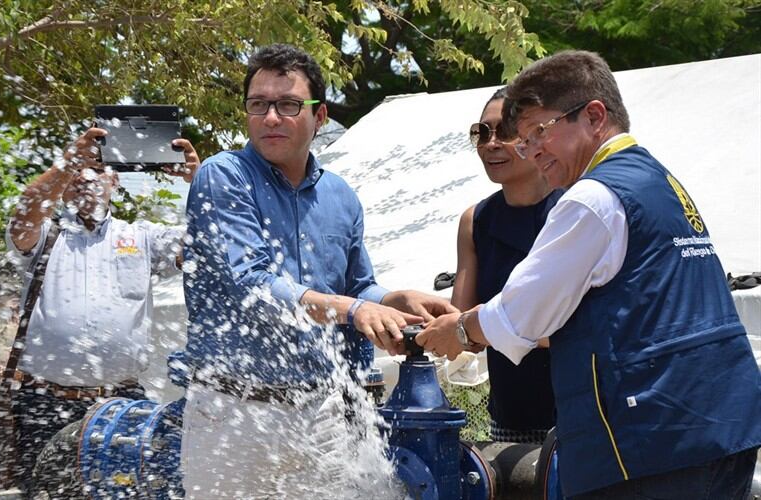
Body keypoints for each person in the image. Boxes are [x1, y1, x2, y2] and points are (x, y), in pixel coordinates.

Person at [418, 50, 761, 498]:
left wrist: (460, 330)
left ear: (594, 116)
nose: (533, 151)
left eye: (539, 132)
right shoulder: (658, 180)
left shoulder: (593, 198)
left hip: (653, 438)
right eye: (524, 141)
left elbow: (525, 313)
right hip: (719, 426)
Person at [180, 43, 456, 499]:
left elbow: (356, 285)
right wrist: (352, 308)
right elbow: (252, 283)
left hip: (324, 415)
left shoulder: (341, 196)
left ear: (320, 115)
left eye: (288, 105)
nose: (271, 117)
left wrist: (392, 300)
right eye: (258, 105)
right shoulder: (223, 175)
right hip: (233, 411)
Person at [4, 127, 200, 495]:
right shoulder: (47, 236)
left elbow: (206, 244)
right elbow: (23, 214)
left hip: (121, 406)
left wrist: (201, 181)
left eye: (97, 172)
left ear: (115, 181)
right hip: (46, 405)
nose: (86, 180)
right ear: (63, 185)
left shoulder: (141, 237)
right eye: (76, 174)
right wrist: (68, 161)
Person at [455, 87, 561, 444]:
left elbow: (581, 325)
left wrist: (490, 326)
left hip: (579, 420)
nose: (490, 144)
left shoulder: (575, 210)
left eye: (504, 131)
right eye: (481, 132)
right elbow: (460, 329)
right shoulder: (475, 221)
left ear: (536, 136)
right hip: (509, 423)